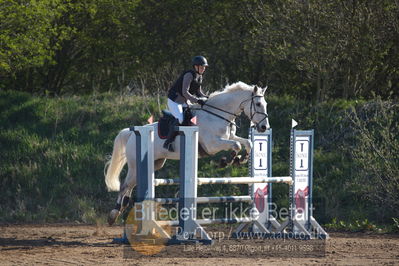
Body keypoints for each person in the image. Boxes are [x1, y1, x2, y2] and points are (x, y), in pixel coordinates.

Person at [163, 55, 209, 151]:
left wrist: (208, 98)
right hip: (174, 101)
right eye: (201, 67)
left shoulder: (199, 77)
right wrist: (197, 100)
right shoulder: (189, 75)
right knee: (180, 119)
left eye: (204, 67)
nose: (203, 69)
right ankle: (168, 142)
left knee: (192, 117)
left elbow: (199, 92)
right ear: (195, 67)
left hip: (184, 101)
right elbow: (185, 92)